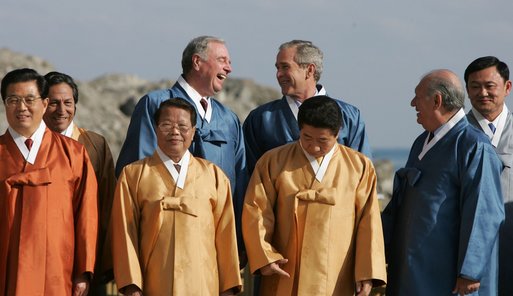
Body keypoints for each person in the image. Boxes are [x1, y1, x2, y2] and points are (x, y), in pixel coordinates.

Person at [115, 36, 248, 262]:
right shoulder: (154, 104)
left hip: (214, 243)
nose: (229, 67)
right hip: (162, 242)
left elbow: (240, 180)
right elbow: (135, 177)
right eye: (222, 60)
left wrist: (238, 244)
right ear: (197, 62)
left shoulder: (228, 119)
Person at [242, 95, 386, 295]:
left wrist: (366, 272)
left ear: (337, 133)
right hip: (286, 269)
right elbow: (256, 211)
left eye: (323, 140)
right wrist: (265, 256)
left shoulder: (359, 166)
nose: (314, 146)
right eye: (307, 138)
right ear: (299, 129)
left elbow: (368, 221)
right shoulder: (273, 161)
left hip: (338, 272)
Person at [382, 69, 504, 295]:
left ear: (437, 100)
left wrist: (469, 272)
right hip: (410, 267)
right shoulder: (421, 142)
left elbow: (484, 213)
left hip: (448, 274)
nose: (412, 103)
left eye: (417, 97)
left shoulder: (474, 146)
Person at [112, 98, 242, 295]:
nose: (175, 132)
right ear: (155, 128)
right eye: (166, 125)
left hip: (203, 283)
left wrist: (228, 287)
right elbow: (124, 232)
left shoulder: (214, 176)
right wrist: (132, 285)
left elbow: (226, 235)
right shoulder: (133, 174)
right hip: (153, 282)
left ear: (193, 131)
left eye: (182, 126)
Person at [0, 68, 98, 295]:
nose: (21, 107)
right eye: (13, 100)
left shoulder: (73, 153)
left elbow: (86, 216)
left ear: (44, 104)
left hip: (56, 270)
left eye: (29, 99)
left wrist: (83, 271)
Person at [243, 40, 371, 173]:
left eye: (285, 67)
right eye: (277, 68)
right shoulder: (260, 119)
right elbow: (249, 177)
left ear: (309, 70)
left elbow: (362, 173)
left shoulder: (349, 116)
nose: (278, 74)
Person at [43, 71, 116, 294]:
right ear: (42, 104)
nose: (62, 110)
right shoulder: (29, 147)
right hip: (45, 251)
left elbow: (108, 203)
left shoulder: (94, 145)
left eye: (68, 102)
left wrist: (104, 262)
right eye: (54, 103)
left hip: (88, 253)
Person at [464, 56, 513, 296]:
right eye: (475, 86)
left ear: (507, 87)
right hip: (469, 256)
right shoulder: (456, 135)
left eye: (489, 86)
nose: (482, 92)